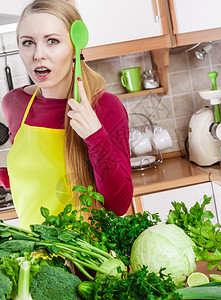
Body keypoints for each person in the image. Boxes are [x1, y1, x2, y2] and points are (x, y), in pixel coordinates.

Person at [0, 0, 133, 229]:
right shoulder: (14, 103)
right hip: (31, 257)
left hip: (84, 260)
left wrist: (95, 136)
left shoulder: (105, 107)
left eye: (52, 41)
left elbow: (118, 205)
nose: (38, 54)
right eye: (28, 43)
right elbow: (39, 179)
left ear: (75, 47)